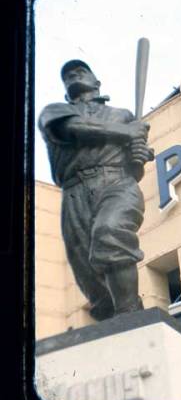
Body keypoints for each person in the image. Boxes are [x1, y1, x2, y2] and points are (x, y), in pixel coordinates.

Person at [38, 60, 154, 321]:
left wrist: (138, 155)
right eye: (67, 75)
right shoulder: (54, 111)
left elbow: (135, 170)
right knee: (89, 274)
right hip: (75, 193)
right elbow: (73, 130)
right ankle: (117, 320)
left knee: (110, 231)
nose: (73, 75)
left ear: (96, 81)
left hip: (117, 183)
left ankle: (130, 316)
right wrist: (127, 134)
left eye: (80, 71)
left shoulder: (122, 115)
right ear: (65, 88)